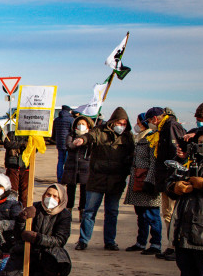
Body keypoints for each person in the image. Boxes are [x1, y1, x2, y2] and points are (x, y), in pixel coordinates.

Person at [74, 107, 133, 251]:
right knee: (89, 211)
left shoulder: (127, 136)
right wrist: (82, 139)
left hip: (116, 181)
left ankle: (110, 241)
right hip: (97, 179)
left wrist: (125, 172)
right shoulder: (100, 131)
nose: (122, 126)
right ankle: (83, 240)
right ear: (113, 122)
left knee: (112, 212)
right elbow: (90, 136)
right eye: (119, 123)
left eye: (124, 124)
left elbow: (131, 156)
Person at [0, 184, 72, 276]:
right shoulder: (34, 208)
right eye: (48, 194)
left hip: (49, 253)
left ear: (61, 199)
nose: (50, 198)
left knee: (51, 255)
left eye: (55, 196)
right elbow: (18, 234)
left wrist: (37, 237)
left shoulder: (64, 215)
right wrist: (22, 219)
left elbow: (60, 240)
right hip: (28, 251)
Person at [168, 130, 203, 276]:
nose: (202, 146)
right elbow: (170, 183)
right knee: (187, 272)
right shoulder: (189, 162)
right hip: (184, 227)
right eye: (200, 142)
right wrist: (174, 187)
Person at [125, 112, 163, 255]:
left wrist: (150, 181)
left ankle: (155, 244)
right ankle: (141, 242)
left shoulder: (152, 138)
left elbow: (154, 162)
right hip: (137, 180)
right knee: (141, 214)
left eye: (139, 122)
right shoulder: (140, 137)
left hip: (147, 181)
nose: (137, 125)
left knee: (152, 214)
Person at [62, 115, 92, 215]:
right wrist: (76, 143)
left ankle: (82, 210)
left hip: (85, 168)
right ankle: (68, 210)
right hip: (72, 167)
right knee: (70, 190)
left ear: (88, 126)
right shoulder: (71, 135)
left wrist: (85, 141)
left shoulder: (90, 137)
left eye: (83, 124)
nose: (81, 126)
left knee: (84, 191)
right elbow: (69, 145)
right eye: (79, 124)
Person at [2, 129, 30, 203]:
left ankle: (23, 211)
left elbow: (35, 148)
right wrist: (22, 144)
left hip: (25, 167)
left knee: (25, 194)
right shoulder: (11, 134)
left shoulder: (30, 135)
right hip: (13, 167)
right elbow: (7, 144)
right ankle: (11, 209)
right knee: (11, 191)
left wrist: (17, 145)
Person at [52, 105, 74, 183]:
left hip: (59, 143)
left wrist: (55, 139)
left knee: (60, 161)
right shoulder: (71, 120)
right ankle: (66, 178)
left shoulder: (57, 120)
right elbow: (72, 132)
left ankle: (59, 178)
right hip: (68, 143)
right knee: (67, 161)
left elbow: (54, 132)